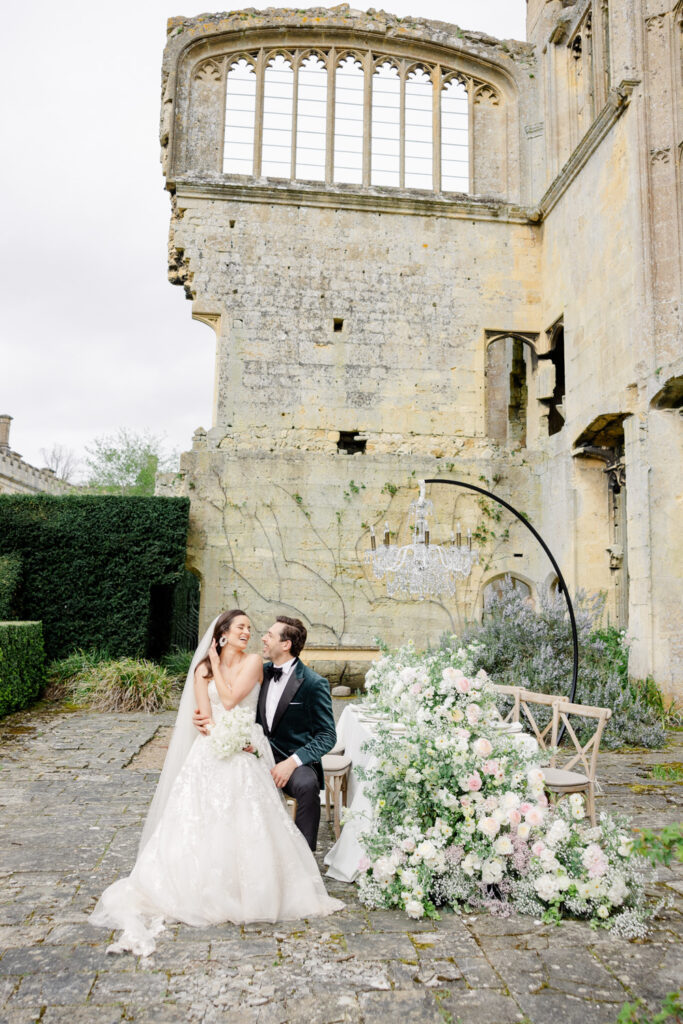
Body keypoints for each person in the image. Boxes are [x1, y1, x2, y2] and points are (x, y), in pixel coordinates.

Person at [89, 610, 343, 956]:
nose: (257, 636)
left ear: (286, 644)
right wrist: (206, 724)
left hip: (275, 753)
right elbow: (207, 712)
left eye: (263, 633)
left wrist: (287, 758)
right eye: (247, 629)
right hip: (227, 745)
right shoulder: (239, 668)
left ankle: (304, 869)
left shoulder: (300, 678)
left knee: (299, 788)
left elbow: (322, 732)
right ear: (222, 633)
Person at [193, 616, 336, 851]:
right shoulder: (260, 669)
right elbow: (230, 701)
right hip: (253, 751)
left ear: (286, 644)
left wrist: (292, 763)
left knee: (308, 785)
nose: (262, 637)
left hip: (290, 758)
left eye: (269, 635)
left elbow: (327, 735)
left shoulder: (313, 683)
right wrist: (204, 720)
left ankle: (302, 856)